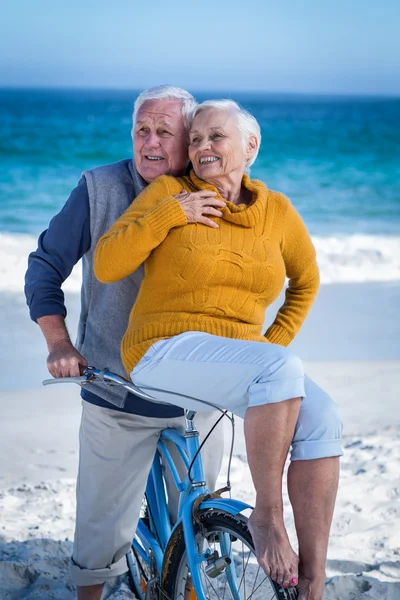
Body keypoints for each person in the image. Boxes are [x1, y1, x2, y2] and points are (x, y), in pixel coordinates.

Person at [94, 99, 343, 600]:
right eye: (196, 139)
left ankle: (312, 579)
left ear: (251, 147)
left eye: (216, 137)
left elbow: (307, 280)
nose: (202, 147)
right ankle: (268, 518)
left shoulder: (276, 211)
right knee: (280, 369)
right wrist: (170, 214)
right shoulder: (170, 191)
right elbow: (107, 263)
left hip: (241, 362)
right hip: (161, 350)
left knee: (324, 417)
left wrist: (271, 346)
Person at [24, 86, 225, 600]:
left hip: (196, 395)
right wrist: (59, 343)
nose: (151, 143)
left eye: (165, 132)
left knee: (205, 521)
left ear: (193, 140)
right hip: (117, 391)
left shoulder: (219, 188)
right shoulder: (100, 188)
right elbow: (45, 266)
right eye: (142, 130)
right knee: (99, 537)